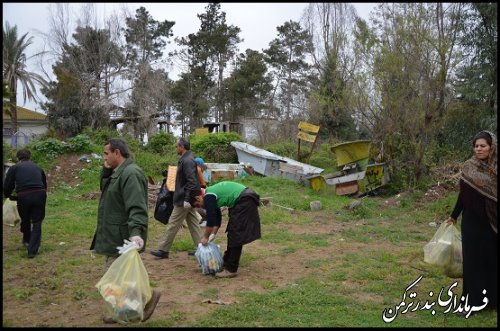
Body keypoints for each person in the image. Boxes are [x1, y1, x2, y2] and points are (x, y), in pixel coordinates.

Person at [90, 138, 160, 324]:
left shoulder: (131, 173)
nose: (104, 157)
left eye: (106, 153)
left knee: (114, 278)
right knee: (119, 277)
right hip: (114, 234)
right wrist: (105, 169)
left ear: (117, 153)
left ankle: (147, 298)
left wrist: (136, 232)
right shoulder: (117, 172)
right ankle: (123, 311)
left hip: (123, 237)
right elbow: (105, 188)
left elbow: (137, 207)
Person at [445, 130, 497, 317]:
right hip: (472, 222)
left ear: (491, 147)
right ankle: (470, 303)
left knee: (491, 261)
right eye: (476, 146)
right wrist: (454, 215)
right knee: (472, 263)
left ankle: (491, 300)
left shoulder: (495, 169)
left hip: (492, 223)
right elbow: (463, 194)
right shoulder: (469, 166)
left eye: (483, 146)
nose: (479, 149)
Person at [193, 180, 261, 278]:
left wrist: (205, 237)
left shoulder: (208, 196)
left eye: (197, 205)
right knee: (232, 232)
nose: (200, 207)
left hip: (244, 199)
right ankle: (227, 262)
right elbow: (217, 218)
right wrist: (213, 235)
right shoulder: (210, 194)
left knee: (236, 234)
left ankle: (231, 269)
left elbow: (211, 221)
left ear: (198, 198)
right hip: (243, 198)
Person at [151, 137, 203, 259]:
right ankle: (202, 248)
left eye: (176, 146)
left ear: (182, 147)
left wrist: (186, 199)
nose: (176, 148)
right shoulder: (186, 159)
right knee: (194, 224)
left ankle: (163, 250)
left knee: (173, 223)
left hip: (183, 199)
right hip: (185, 198)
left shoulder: (187, 161)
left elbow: (192, 181)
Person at [3, 149, 47, 258]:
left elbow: (8, 184)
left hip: (24, 195)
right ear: (30, 157)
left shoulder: (14, 168)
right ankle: (32, 251)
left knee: (25, 219)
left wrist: (9, 196)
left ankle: (27, 240)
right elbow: (44, 184)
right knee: (37, 222)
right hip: (40, 194)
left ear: (18, 158)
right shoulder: (38, 167)